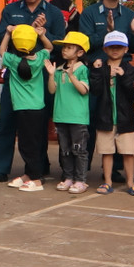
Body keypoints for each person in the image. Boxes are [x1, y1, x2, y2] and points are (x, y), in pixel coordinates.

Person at [0, 0, 65, 183]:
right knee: (7, 121)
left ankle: (37, 169)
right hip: (14, 72)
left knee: (37, 124)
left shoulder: (53, 13)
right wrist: (23, 29)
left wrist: (43, 31)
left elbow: (60, 44)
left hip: (41, 74)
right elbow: (1, 36)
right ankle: (0, 169)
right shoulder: (11, 10)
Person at [89, 31, 134, 196]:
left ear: (126, 49)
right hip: (105, 117)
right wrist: (101, 74)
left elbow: (133, 94)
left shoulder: (130, 69)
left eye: (119, 47)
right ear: (105, 49)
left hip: (125, 119)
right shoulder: (100, 67)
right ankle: (107, 181)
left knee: (128, 151)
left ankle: (130, 182)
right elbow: (95, 91)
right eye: (111, 47)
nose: (115, 50)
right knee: (107, 150)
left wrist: (123, 77)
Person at [3, 25, 50, 191]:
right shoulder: (40, 58)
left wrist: (8, 34)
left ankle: (36, 179)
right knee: (33, 142)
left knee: (27, 144)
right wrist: (42, 35)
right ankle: (29, 174)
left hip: (23, 109)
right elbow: (49, 47)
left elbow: (1, 51)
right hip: (37, 108)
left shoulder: (12, 60)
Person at [46, 31, 92, 193]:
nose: (64, 50)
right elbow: (52, 90)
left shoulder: (82, 69)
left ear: (80, 52)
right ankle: (68, 177)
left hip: (77, 117)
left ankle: (80, 180)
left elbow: (83, 90)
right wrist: (52, 75)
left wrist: (72, 76)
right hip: (61, 115)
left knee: (79, 149)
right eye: (64, 47)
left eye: (69, 47)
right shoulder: (58, 70)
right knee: (64, 149)